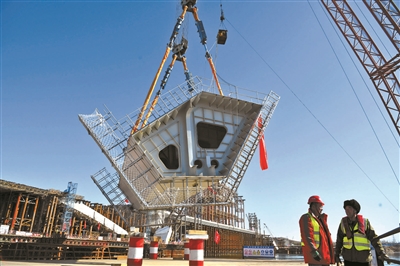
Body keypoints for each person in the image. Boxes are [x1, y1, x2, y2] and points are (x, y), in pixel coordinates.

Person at [335, 199, 390, 266]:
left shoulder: (365, 222)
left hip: (363, 260)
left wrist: (382, 253)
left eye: (349, 208)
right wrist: (336, 254)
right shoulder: (343, 223)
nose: (347, 211)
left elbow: (374, 238)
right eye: (345, 209)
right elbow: (339, 240)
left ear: (355, 210)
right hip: (348, 260)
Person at [299, 195, 335, 266]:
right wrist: (313, 251)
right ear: (314, 205)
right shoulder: (306, 218)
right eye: (320, 206)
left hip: (324, 256)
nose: (322, 209)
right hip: (316, 257)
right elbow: (307, 236)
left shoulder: (320, 220)